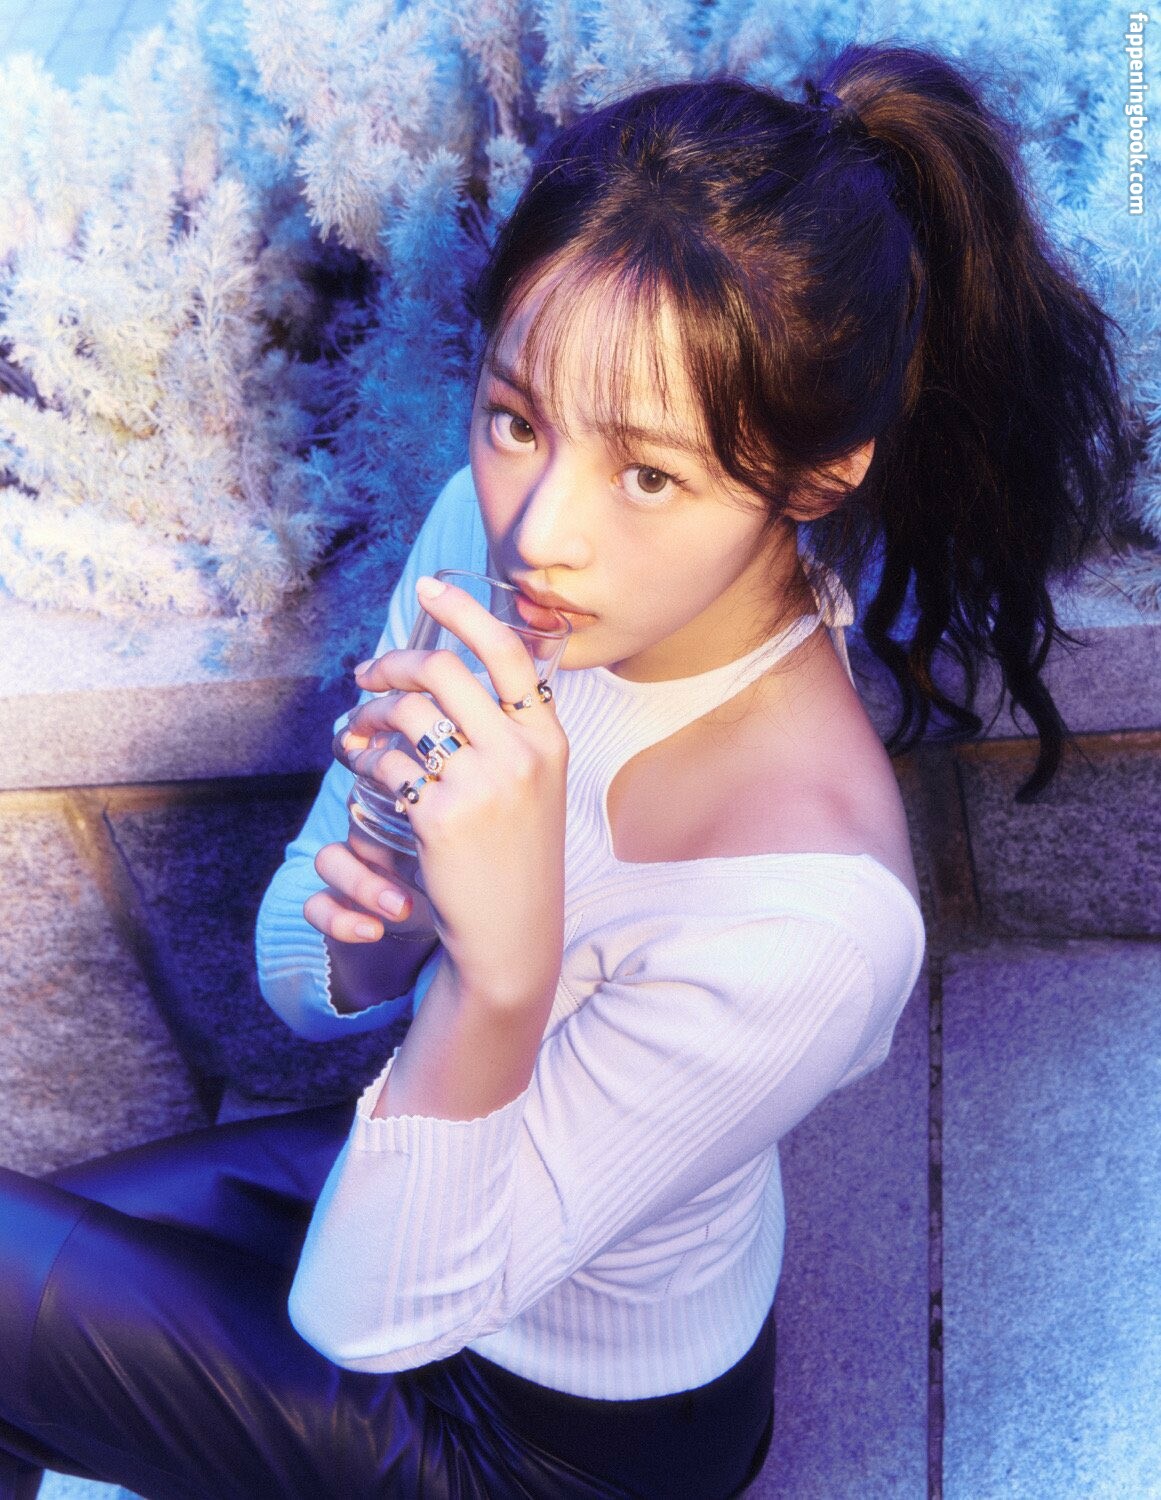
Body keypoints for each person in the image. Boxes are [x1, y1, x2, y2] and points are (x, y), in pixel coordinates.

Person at [0, 41, 1133, 1500]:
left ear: (816, 478)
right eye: (515, 420)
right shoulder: (487, 556)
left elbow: (370, 1322)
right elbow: (301, 969)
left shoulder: (813, 923)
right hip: (413, 1182)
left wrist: (502, 971)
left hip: (553, 1443)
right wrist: (398, 910)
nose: (539, 531)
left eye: (648, 473)